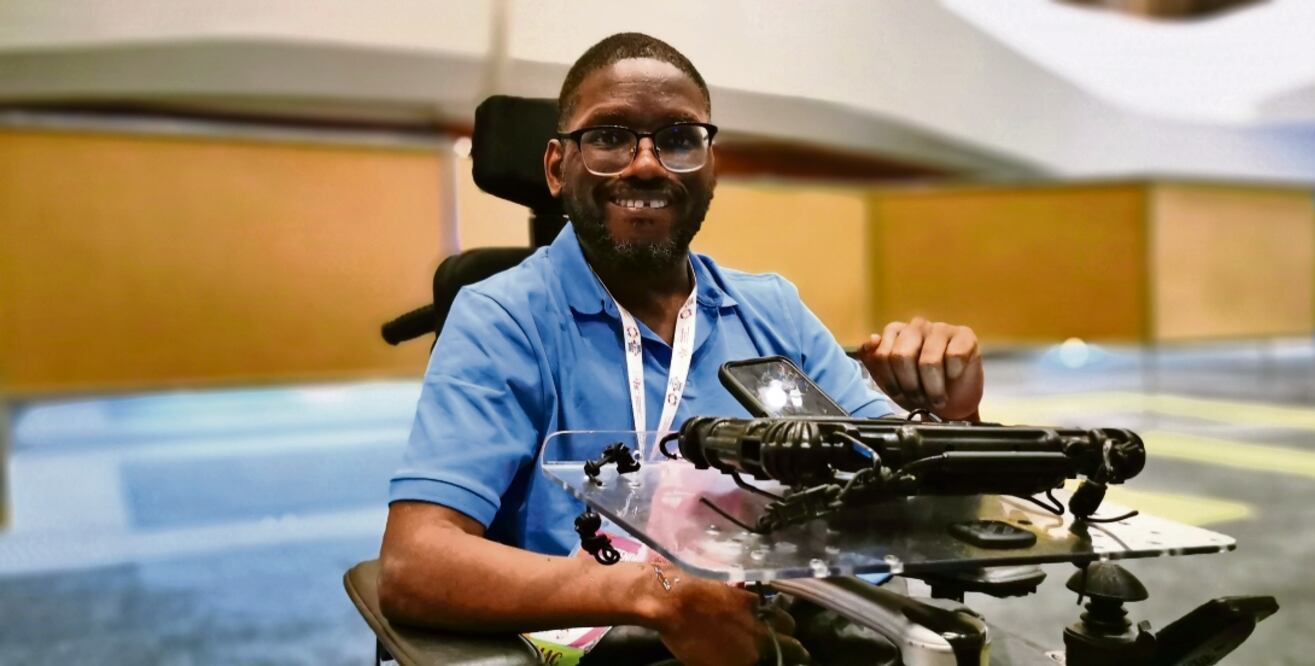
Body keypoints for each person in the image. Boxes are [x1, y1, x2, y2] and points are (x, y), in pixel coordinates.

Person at [377, 32, 984, 665]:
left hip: (792, 637)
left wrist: (954, 415)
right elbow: (415, 562)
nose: (646, 164)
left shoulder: (772, 309)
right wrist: (657, 594)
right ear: (558, 167)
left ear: (710, 163)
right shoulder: (503, 318)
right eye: (609, 136)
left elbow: (922, 499)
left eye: (677, 138)